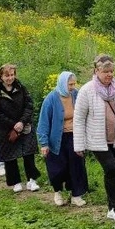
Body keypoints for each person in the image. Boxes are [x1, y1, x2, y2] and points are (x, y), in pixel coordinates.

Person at [74, 54, 115, 224]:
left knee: (111, 172)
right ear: (96, 70)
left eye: (112, 71)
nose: (109, 74)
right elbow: (79, 118)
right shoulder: (87, 90)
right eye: (106, 71)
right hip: (97, 140)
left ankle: (111, 209)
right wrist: (79, 144)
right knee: (111, 169)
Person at [39, 71, 90, 207]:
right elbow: (43, 122)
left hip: (74, 135)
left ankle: (76, 195)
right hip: (57, 138)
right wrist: (44, 143)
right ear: (62, 84)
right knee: (58, 167)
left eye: (74, 84)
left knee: (76, 165)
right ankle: (58, 192)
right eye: (70, 84)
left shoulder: (76, 95)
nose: (73, 87)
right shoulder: (51, 99)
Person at [0, 64, 41, 193]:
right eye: (7, 75)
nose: (10, 78)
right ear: (1, 76)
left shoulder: (21, 87)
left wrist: (22, 122)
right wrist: (13, 125)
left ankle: (32, 180)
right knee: (10, 156)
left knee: (28, 153)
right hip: (5, 128)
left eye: (12, 75)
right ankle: (16, 182)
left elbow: (29, 105)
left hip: (24, 125)